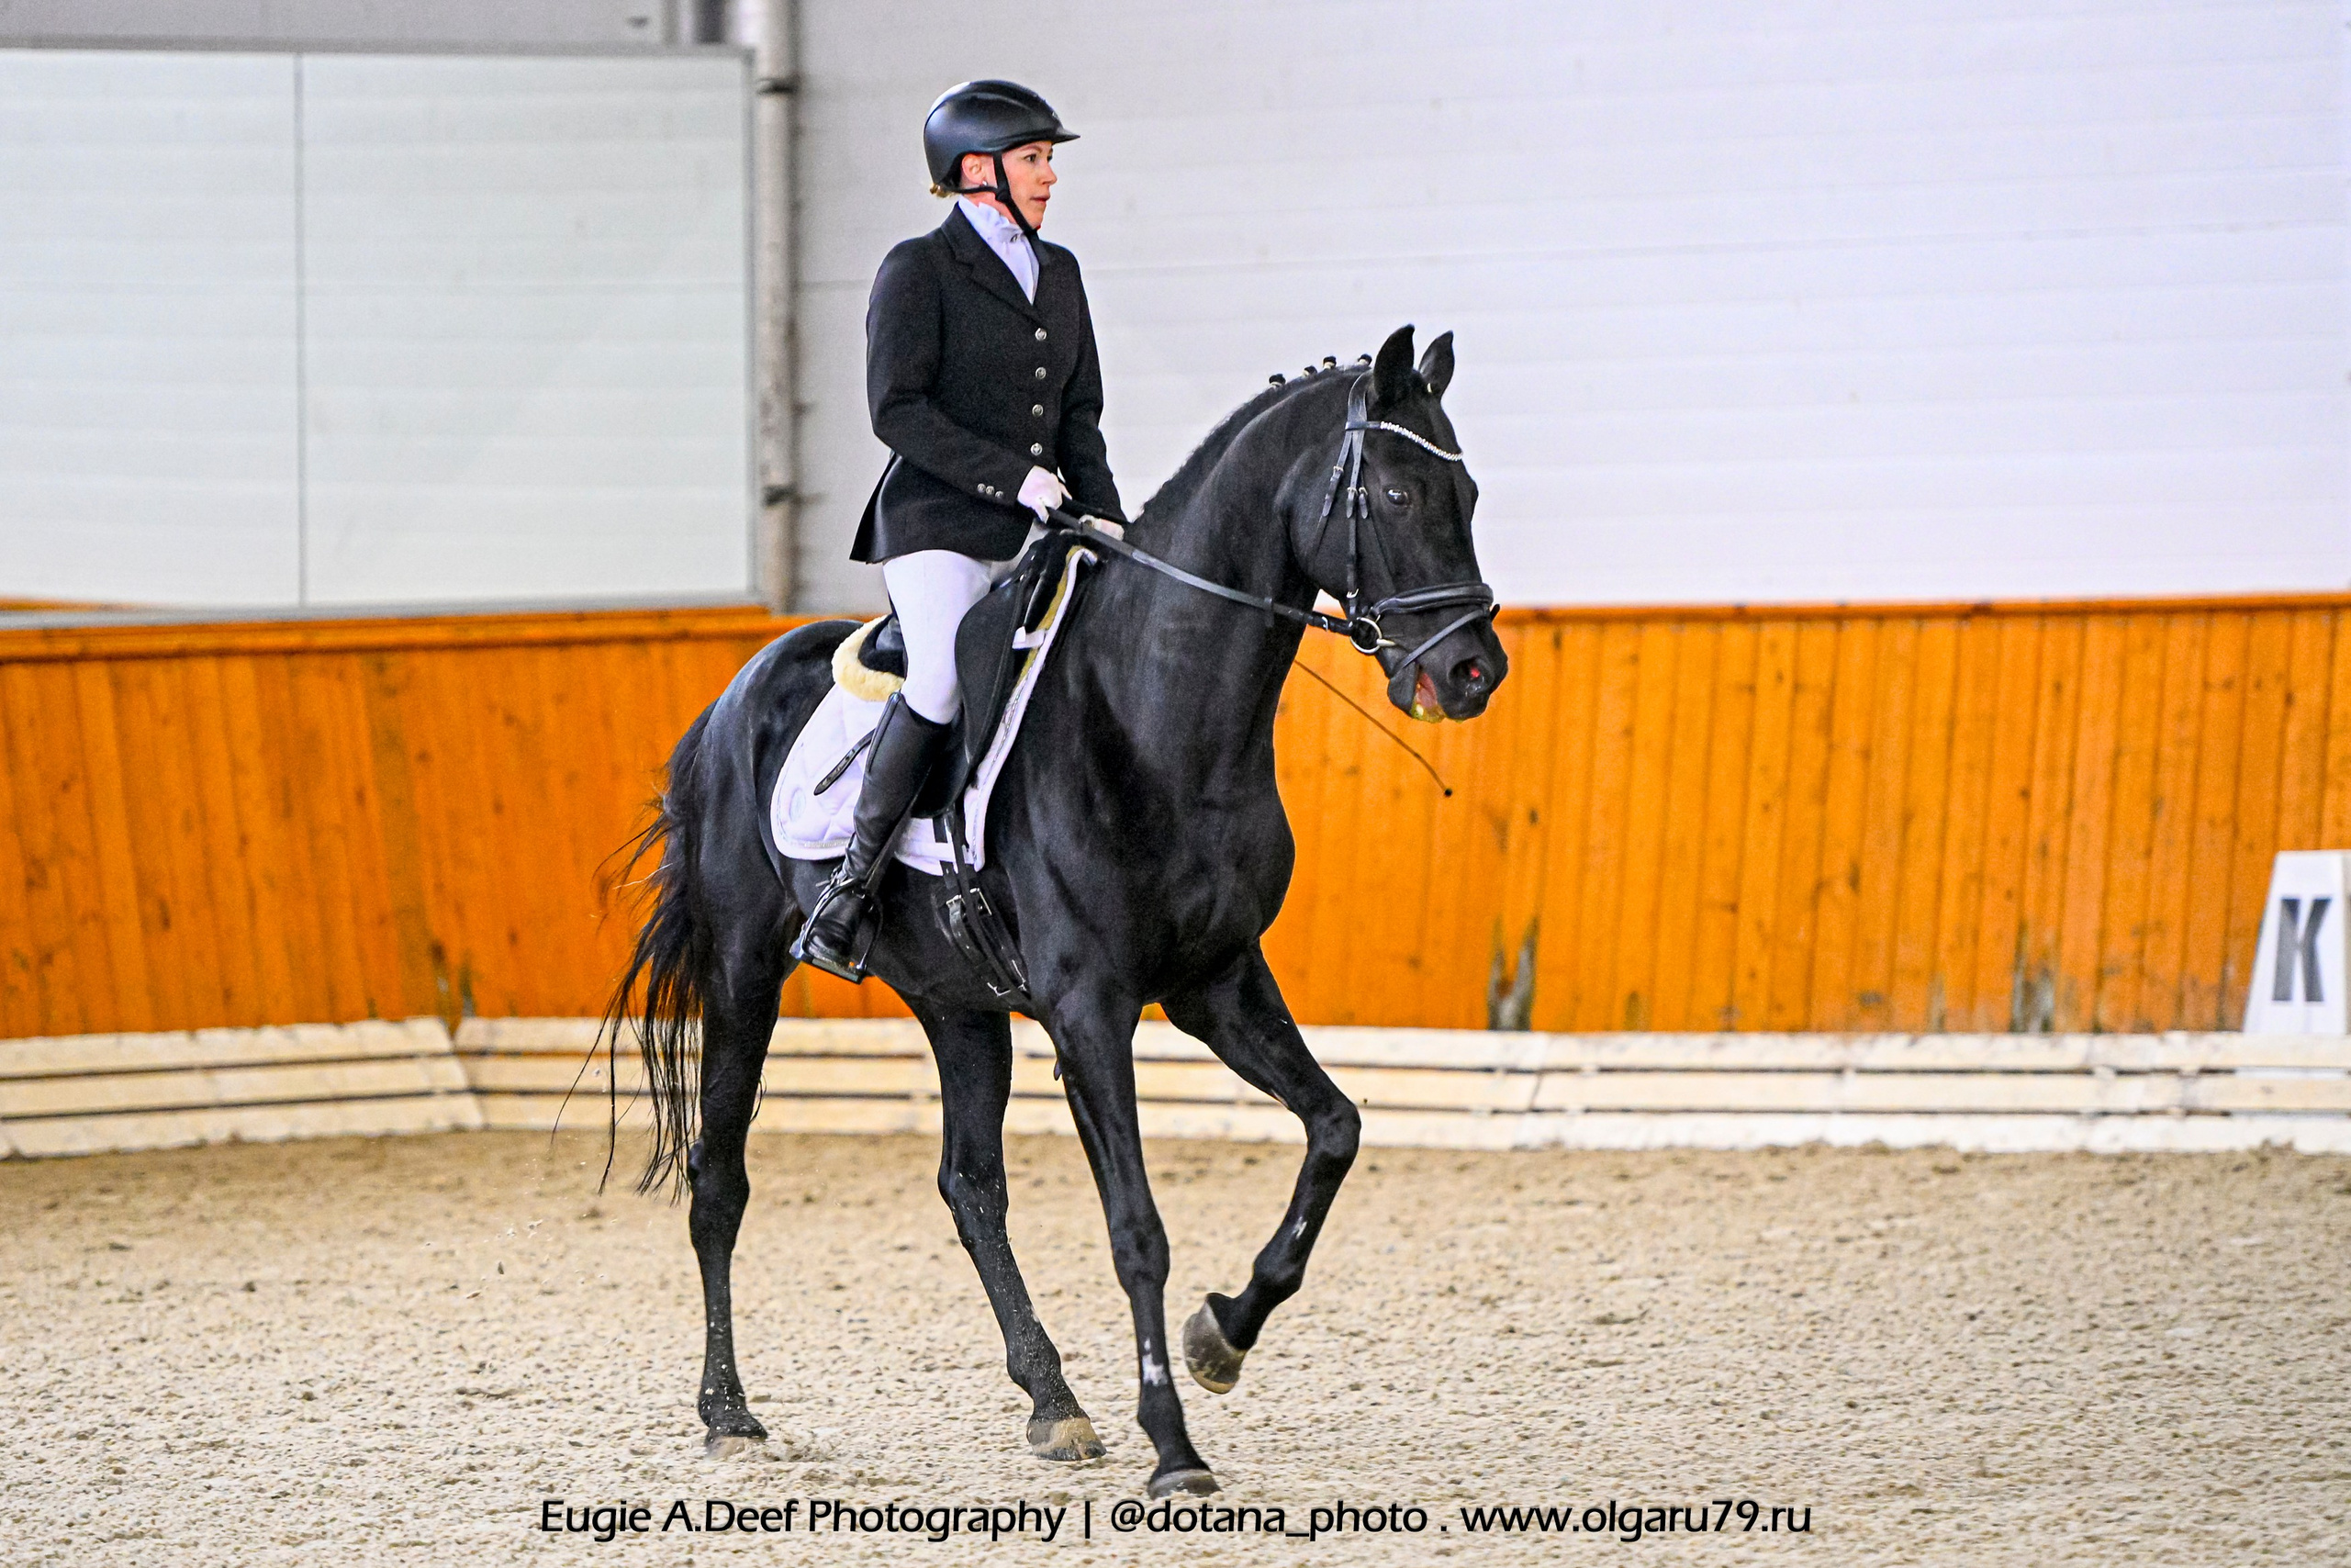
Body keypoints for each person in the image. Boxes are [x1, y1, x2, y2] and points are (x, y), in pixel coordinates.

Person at [793, 79, 1125, 982]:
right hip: (937, 525)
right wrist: (1013, 476)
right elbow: (894, 410)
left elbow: (1079, 415)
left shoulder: (1059, 274)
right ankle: (850, 890)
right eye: (1034, 159)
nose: (1050, 176)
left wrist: (1107, 518)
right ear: (976, 171)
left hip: (1043, 527)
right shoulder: (917, 269)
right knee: (941, 669)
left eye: (1049, 159)